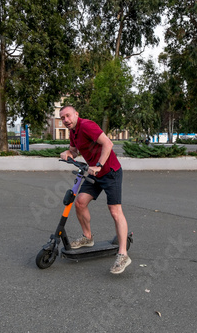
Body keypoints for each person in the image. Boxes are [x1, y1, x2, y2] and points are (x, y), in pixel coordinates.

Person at [59, 105, 131, 274]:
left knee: (115, 211)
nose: (66, 120)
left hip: (110, 171)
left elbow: (108, 143)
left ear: (76, 114)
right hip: (94, 173)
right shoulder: (73, 132)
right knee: (80, 202)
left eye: (68, 116)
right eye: (62, 118)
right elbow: (75, 151)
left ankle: (123, 254)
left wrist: (98, 165)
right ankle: (88, 237)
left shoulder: (87, 125)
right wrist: (68, 152)